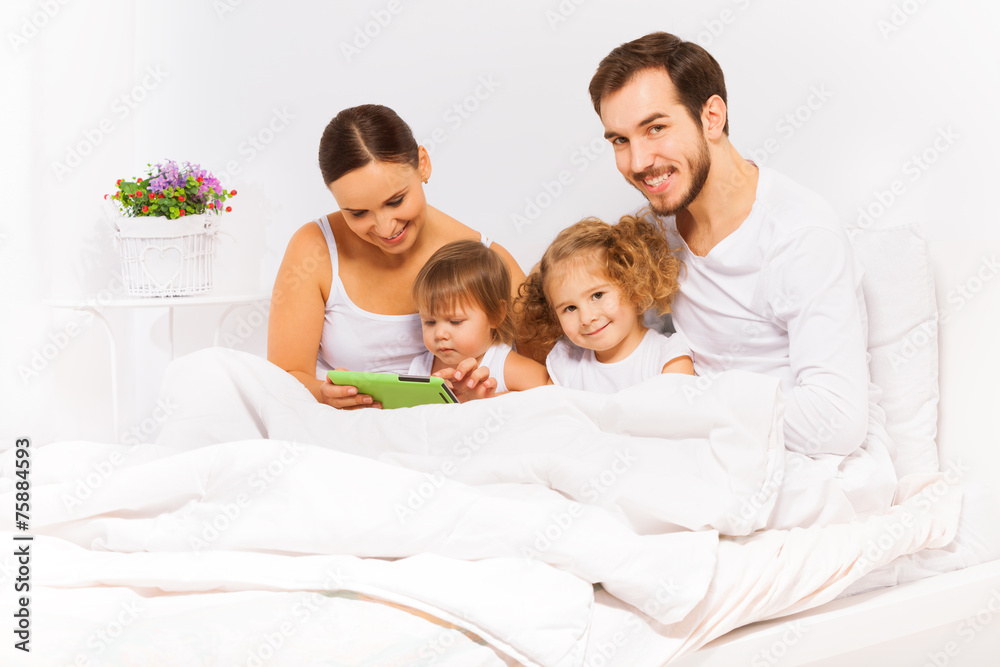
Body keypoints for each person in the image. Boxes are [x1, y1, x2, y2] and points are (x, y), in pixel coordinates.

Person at [588, 32, 896, 511]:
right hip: (704, 446)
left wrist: (686, 404)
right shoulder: (659, 230)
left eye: (655, 128)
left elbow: (837, 420)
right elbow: (618, 339)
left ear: (712, 116)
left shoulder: (800, 234)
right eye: (619, 140)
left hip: (805, 464)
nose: (638, 162)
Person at [267, 104, 525, 408]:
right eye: (358, 213)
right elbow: (284, 377)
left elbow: (554, 382)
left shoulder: (488, 262)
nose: (385, 227)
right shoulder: (315, 248)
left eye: (396, 201)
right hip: (341, 429)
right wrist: (321, 394)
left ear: (423, 165)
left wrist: (483, 403)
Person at [517, 215, 694, 392]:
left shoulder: (668, 357)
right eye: (570, 308)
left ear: (634, 285)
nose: (586, 318)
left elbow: (676, 415)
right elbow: (546, 413)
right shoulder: (567, 366)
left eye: (597, 295)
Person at [409, 240, 549, 392]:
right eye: (430, 322)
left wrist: (492, 400)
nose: (439, 334)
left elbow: (556, 396)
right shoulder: (420, 368)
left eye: (455, 322)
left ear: (495, 315)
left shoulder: (506, 366)